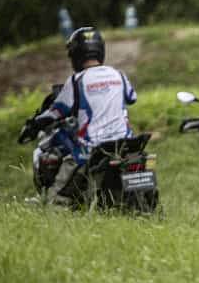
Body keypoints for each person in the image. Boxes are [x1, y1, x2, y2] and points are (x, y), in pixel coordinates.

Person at [26, 26, 137, 205]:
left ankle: (57, 214)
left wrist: (35, 123)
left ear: (75, 55)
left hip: (91, 150)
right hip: (125, 145)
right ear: (100, 50)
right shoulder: (119, 75)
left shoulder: (76, 80)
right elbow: (132, 97)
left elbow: (56, 112)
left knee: (56, 199)